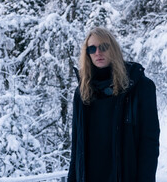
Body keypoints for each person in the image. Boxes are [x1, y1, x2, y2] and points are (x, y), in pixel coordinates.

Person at [67, 27, 160, 182]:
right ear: (87, 53)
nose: (98, 52)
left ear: (113, 49)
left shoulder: (140, 87)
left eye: (103, 47)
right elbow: (76, 147)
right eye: (92, 48)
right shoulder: (82, 92)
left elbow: (149, 143)